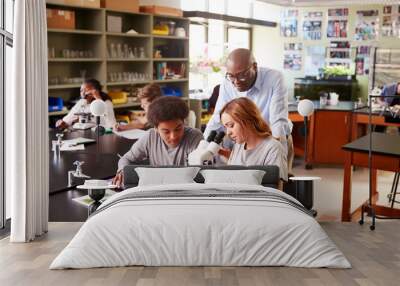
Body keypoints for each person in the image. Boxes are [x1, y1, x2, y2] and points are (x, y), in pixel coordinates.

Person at [204, 48, 291, 146]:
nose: (236, 81)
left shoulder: (275, 78)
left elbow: (278, 121)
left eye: (242, 75)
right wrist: (203, 146)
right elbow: (217, 118)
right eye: (231, 76)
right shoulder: (227, 83)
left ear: (254, 67)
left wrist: (277, 149)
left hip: (271, 138)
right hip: (242, 140)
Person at [112, 96, 204, 187]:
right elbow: (126, 159)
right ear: (156, 128)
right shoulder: (150, 137)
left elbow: (201, 172)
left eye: (178, 129)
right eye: (166, 131)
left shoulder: (194, 137)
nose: (173, 136)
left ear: (184, 122)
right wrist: (122, 170)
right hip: (157, 190)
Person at [220, 97, 288, 181]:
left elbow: (277, 189)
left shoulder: (273, 149)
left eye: (231, 125)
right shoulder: (238, 147)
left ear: (248, 120)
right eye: (225, 127)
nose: (228, 132)